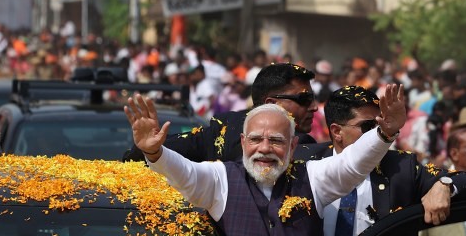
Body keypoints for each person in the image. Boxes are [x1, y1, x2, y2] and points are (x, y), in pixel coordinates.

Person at [124, 85, 407, 236]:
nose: (265, 149)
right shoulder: (221, 179)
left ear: (294, 146)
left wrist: (385, 132)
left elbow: (353, 163)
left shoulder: (313, 178)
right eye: (256, 139)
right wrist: (155, 153)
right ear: (244, 142)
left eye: (276, 140)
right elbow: (185, 173)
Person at [320, 86, 466, 236]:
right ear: (337, 131)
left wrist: (444, 185)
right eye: (367, 126)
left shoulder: (400, 167)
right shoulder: (307, 162)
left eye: (379, 124)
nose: (377, 132)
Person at [133, 63, 323, 163]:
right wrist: (150, 149)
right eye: (304, 99)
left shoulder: (224, 128)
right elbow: (153, 153)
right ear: (272, 105)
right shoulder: (219, 133)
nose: (314, 107)